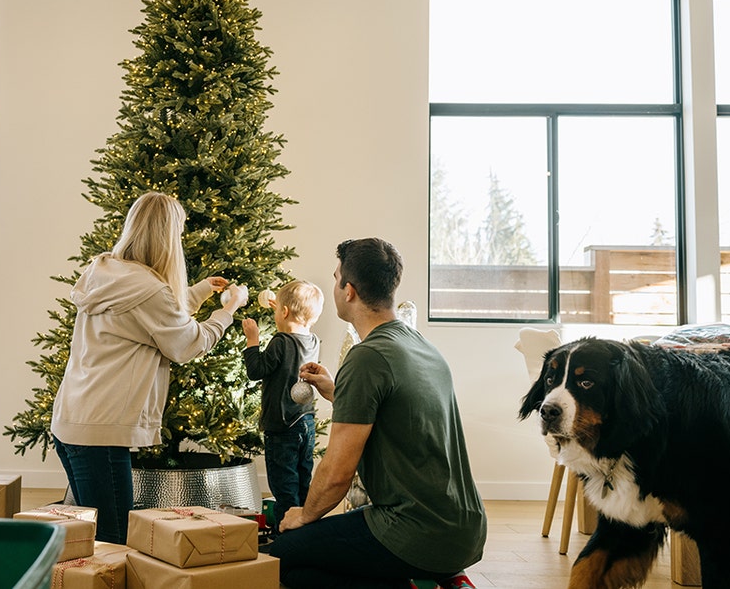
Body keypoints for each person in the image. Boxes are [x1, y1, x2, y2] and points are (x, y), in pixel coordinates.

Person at [270, 238, 486, 589]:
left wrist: (303, 515)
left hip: (416, 530)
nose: (335, 285)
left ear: (349, 290)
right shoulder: (419, 345)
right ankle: (435, 580)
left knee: (283, 560)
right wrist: (337, 393)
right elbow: (395, 417)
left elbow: (338, 474)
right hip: (464, 528)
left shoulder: (367, 356)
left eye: (336, 277)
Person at [49, 191, 248, 544]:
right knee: (113, 541)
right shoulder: (150, 291)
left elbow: (153, 312)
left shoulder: (105, 270)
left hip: (73, 418)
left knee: (95, 539)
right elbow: (188, 343)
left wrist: (200, 291)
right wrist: (227, 311)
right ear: (169, 237)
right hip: (102, 430)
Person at [241, 279, 323, 536]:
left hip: (282, 424)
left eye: (279, 310)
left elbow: (257, 370)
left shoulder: (280, 342)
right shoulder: (314, 340)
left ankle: (287, 534)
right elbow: (295, 324)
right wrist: (285, 309)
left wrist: (252, 339)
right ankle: (305, 526)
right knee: (302, 478)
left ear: (284, 312)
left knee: (283, 482)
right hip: (305, 421)